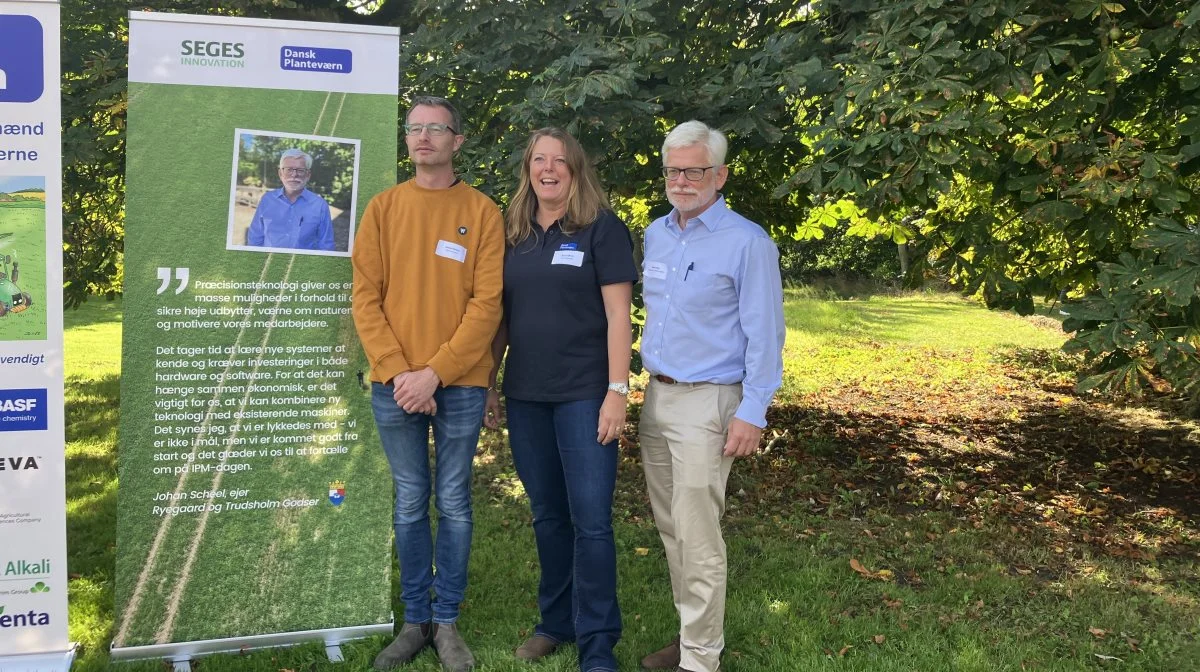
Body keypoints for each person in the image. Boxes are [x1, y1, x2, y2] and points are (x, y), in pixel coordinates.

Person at [351, 96, 504, 672]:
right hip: (394, 384)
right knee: (411, 501)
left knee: (456, 501)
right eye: (414, 128)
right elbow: (365, 297)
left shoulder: (482, 212)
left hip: (460, 384)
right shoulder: (384, 208)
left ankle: (447, 622)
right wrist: (398, 371)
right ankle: (415, 620)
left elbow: (486, 305)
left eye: (435, 128)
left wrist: (435, 372)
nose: (422, 137)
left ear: (457, 141)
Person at [483, 128, 636, 672]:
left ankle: (597, 642)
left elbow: (620, 316)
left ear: (576, 169)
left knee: (591, 520)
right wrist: (488, 383)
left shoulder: (602, 229)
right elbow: (501, 318)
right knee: (548, 516)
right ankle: (555, 623)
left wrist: (618, 393)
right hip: (526, 394)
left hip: (585, 395)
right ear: (527, 169)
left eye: (560, 161)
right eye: (538, 160)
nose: (548, 169)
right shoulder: (512, 231)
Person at [637, 121, 785, 672]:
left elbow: (766, 334)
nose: (682, 179)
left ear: (719, 175)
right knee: (673, 529)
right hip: (658, 398)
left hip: (711, 402)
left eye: (695, 170)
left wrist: (753, 411)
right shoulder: (656, 233)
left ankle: (700, 659)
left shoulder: (747, 241)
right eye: (674, 169)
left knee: (698, 534)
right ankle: (692, 632)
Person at [246, 148, 335, 251]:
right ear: (280, 173)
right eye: (289, 169)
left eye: (300, 170)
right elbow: (255, 238)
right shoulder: (267, 199)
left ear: (308, 175)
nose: (294, 175)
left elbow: (326, 246)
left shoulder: (320, 205)